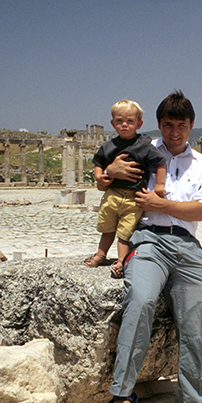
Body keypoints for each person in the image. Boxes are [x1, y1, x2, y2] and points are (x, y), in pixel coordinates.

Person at [105, 90, 202, 403]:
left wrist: (163, 204)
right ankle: (122, 396)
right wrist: (109, 170)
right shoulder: (141, 151)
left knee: (195, 319)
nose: (174, 132)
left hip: (187, 246)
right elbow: (107, 181)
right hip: (148, 240)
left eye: (181, 125)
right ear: (158, 125)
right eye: (168, 125)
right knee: (139, 301)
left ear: (191, 126)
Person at [84, 99, 167, 277]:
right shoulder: (108, 146)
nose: (124, 125)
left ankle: (121, 261)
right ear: (113, 124)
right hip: (112, 194)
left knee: (125, 233)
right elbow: (98, 163)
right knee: (107, 227)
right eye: (120, 121)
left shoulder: (144, 145)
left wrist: (160, 184)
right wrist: (99, 175)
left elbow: (161, 162)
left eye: (130, 121)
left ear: (139, 124)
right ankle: (101, 254)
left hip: (133, 197)